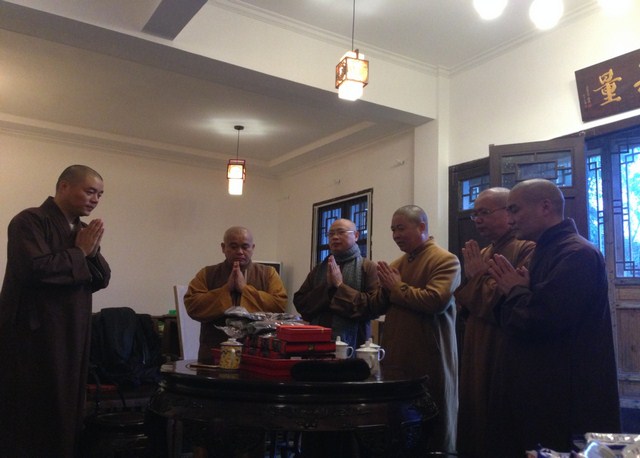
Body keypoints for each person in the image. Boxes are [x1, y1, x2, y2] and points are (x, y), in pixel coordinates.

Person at [486, 179, 620, 456]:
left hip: (563, 393)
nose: (509, 220)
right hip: (535, 388)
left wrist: (515, 291)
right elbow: (511, 318)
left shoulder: (578, 253)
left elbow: (542, 320)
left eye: (514, 210)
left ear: (545, 207)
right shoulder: (543, 251)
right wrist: (514, 291)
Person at [0, 165, 111, 458]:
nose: (95, 200)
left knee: (67, 408)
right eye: (90, 191)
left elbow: (101, 279)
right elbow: (34, 270)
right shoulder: (29, 221)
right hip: (34, 336)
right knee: (32, 411)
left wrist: (91, 252)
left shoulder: (82, 231)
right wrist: (80, 253)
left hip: (72, 333)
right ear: (63, 186)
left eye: (99, 195)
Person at [336, 205, 461, 453]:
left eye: (401, 229)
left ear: (421, 227)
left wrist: (396, 287)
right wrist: (344, 288)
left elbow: (435, 301)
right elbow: (375, 306)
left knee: (431, 424)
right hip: (396, 357)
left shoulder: (446, 260)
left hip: (429, 356)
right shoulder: (397, 265)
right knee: (399, 425)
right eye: (393, 230)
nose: (395, 235)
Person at [454, 188, 535, 458]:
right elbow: (468, 301)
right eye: (475, 214)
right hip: (476, 344)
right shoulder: (484, 251)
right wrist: (471, 287)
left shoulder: (527, 248)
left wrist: (478, 278)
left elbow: (507, 302)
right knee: (475, 416)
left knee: (498, 422)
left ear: (508, 212)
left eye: (485, 212)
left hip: (503, 346)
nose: (477, 219)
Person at [184, 226, 287, 362]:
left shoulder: (268, 274)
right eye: (233, 247)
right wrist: (226, 289)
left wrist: (245, 289)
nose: (239, 252)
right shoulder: (208, 274)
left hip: (257, 353)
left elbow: (279, 305)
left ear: (252, 248)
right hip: (214, 351)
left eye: (245, 247)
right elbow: (192, 305)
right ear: (223, 248)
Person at [293, 218, 378, 349]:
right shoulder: (320, 269)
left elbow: (374, 307)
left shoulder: (367, 267)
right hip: (318, 342)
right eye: (331, 234)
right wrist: (327, 287)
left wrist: (339, 286)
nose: (335, 237)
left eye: (341, 232)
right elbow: (300, 303)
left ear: (356, 236)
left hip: (355, 344)